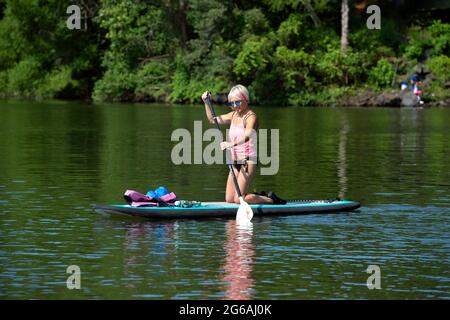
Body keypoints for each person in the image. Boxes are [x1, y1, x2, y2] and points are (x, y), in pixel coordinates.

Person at [201, 85, 286, 205]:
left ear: (246, 100)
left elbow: (248, 135)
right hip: (235, 161)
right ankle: (257, 196)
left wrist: (231, 144)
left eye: (237, 102)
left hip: (248, 161)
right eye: (231, 103)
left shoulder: (251, 117)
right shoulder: (233, 114)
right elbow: (213, 120)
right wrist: (206, 103)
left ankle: (271, 199)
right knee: (229, 199)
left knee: (239, 199)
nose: (234, 106)